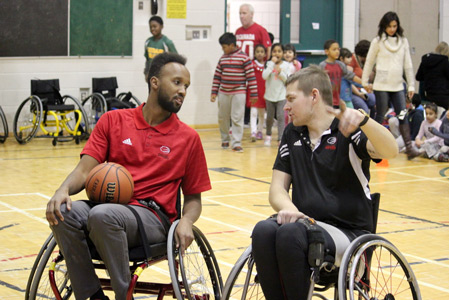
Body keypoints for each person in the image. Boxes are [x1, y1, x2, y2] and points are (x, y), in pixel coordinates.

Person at [46, 53, 211, 300]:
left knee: (103, 215)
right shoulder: (113, 120)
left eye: (186, 86)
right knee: (64, 212)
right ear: (154, 82)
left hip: (153, 218)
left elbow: (194, 198)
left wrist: (187, 221)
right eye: (177, 82)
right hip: (109, 206)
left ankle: (124, 296)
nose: (183, 91)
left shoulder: (189, 138)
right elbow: (84, 170)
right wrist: (62, 191)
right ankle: (92, 295)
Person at [251, 65, 398, 300]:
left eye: (291, 99)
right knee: (264, 230)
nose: (285, 106)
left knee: (291, 234)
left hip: (349, 235)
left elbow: (391, 150)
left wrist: (364, 121)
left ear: (314, 96)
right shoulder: (292, 133)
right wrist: (289, 209)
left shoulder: (347, 129)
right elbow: (277, 188)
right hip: (305, 225)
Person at [362, 11, 419, 159]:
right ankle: (371, 145)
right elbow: (369, 62)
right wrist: (364, 82)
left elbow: (408, 65)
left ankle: (409, 148)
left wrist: (411, 85)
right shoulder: (377, 41)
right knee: (380, 115)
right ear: (383, 26)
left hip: (397, 86)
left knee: (402, 114)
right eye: (389, 26)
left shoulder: (403, 42)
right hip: (381, 86)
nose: (392, 29)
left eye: (394, 26)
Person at [210, 32, 258, 153]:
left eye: (224, 46)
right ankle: (225, 139)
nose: (223, 49)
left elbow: (251, 77)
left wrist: (254, 93)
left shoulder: (244, 58)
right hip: (223, 92)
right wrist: (214, 92)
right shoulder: (223, 58)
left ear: (232, 45)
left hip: (239, 92)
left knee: (237, 118)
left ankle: (236, 143)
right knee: (223, 117)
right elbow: (217, 76)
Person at [236, 3, 272, 126]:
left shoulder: (260, 30)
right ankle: (240, 122)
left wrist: (265, 64)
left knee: (257, 98)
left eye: (244, 13)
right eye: (240, 13)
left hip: (255, 70)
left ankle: (259, 123)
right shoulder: (238, 31)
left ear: (251, 14)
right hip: (240, 71)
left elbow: (268, 48)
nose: (241, 16)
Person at [319, 40, 362, 109]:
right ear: (327, 51)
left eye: (338, 49)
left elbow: (351, 76)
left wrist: (364, 84)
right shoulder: (323, 66)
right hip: (326, 101)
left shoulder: (340, 65)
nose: (337, 51)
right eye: (334, 49)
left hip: (337, 100)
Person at [262, 43, 290, 146]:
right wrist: (271, 66)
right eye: (274, 51)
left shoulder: (286, 65)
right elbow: (264, 76)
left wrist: (280, 73)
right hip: (269, 96)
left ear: (282, 53)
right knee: (269, 117)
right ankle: (268, 135)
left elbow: (287, 80)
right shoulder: (268, 63)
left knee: (281, 116)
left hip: (281, 96)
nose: (276, 53)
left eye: (279, 51)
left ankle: (281, 138)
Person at [416, 41, 449, 110]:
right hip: (443, 96)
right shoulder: (444, 61)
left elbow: (418, 77)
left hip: (428, 96)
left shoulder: (425, 60)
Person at [143, 16, 178, 82]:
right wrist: (146, 72)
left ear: (161, 26)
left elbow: (176, 61)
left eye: (155, 26)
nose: (152, 29)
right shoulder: (148, 42)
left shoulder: (167, 43)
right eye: (150, 27)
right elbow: (147, 60)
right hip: (152, 76)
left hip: (165, 76)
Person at [250, 44, 268, 142]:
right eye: (257, 52)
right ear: (254, 53)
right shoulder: (252, 64)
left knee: (261, 114)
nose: (260, 54)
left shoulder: (267, 65)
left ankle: (259, 131)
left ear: (265, 53)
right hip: (254, 92)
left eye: (262, 51)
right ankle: (253, 131)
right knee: (253, 113)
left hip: (264, 92)